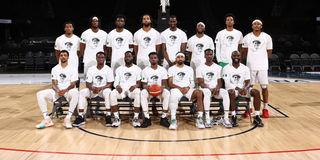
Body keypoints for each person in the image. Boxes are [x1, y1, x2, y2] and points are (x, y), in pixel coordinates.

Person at [35, 50, 78, 129]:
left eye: (65, 55)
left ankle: (68, 118)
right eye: (61, 55)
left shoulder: (73, 69)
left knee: (75, 92)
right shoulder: (55, 69)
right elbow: (54, 84)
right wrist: (58, 90)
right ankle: (47, 119)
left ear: (68, 57)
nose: (63, 56)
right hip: (57, 91)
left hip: (68, 91)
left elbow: (73, 84)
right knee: (39, 94)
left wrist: (64, 90)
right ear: (59, 57)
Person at [222, 51, 264, 127]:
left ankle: (257, 116)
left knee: (256, 92)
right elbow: (227, 83)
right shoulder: (226, 68)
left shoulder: (245, 68)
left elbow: (248, 81)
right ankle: (233, 116)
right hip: (232, 89)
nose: (236, 57)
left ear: (240, 57)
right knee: (232, 92)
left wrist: (245, 88)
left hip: (243, 89)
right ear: (231, 57)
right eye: (234, 56)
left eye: (237, 56)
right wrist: (239, 89)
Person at [73, 52, 114, 127]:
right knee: (82, 92)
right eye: (99, 57)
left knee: (108, 92)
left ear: (104, 59)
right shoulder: (91, 69)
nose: (100, 59)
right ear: (96, 59)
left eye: (102, 57)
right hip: (93, 90)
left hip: (103, 90)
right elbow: (88, 83)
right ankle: (81, 116)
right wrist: (92, 88)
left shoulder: (108, 69)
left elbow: (110, 84)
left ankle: (108, 116)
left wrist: (101, 88)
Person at [242, 18, 273, 118]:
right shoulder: (247, 37)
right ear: (252, 26)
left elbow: (269, 51)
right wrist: (252, 59)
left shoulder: (267, 37)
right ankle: (249, 108)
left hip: (263, 65)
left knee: (264, 87)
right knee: (249, 87)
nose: (256, 25)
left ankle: (265, 109)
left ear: (261, 26)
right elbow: (245, 51)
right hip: (250, 66)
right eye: (254, 24)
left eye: (258, 24)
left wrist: (261, 59)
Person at [168, 52, 205, 130]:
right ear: (175, 59)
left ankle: (199, 118)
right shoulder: (171, 69)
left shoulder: (189, 69)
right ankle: (173, 119)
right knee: (173, 94)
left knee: (199, 93)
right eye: (178, 57)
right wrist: (180, 88)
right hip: (176, 89)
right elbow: (170, 83)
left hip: (188, 89)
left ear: (184, 59)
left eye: (182, 57)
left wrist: (188, 88)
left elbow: (192, 82)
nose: (180, 58)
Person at [196, 49, 232, 128]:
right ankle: (207, 118)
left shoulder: (218, 67)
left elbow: (220, 82)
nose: (209, 56)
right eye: (207, 54)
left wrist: (217, 88)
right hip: (205, 89)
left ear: (213, 55)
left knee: (225, 92)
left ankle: (226, 118)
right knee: (207, 93)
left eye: (210, 54)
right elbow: (201, 83)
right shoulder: (200, 68)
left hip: (215, 90)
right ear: (204, 56)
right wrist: (210, 88)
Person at [110, 51, 142, 127]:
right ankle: (116, 117)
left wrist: (135, 86)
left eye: (129, 56)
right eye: (126, 56)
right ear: (124, 58)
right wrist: (117, 87)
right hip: (122, 90)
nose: (127, 58)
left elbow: (139, 83)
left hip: (132, 90)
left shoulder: (137, 69)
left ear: (132, 57)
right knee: (112, 93)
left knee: (138, 92)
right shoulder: (119, 69)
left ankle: (136, 118)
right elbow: (116, 82)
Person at [140, 52, 170, 128]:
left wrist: (161, 88)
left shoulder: (163, 70)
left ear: (158, 59)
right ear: (149, 60)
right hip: (149, 91)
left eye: (155, 58)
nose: (153, 59)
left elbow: (164, 84)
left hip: (159, 91)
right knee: (143, 93)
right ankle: (147, 118)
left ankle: (163, 118)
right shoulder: (145, 70)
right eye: (151, 58)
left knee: (167, 93)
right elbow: (143, 84)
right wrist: (148, 87)